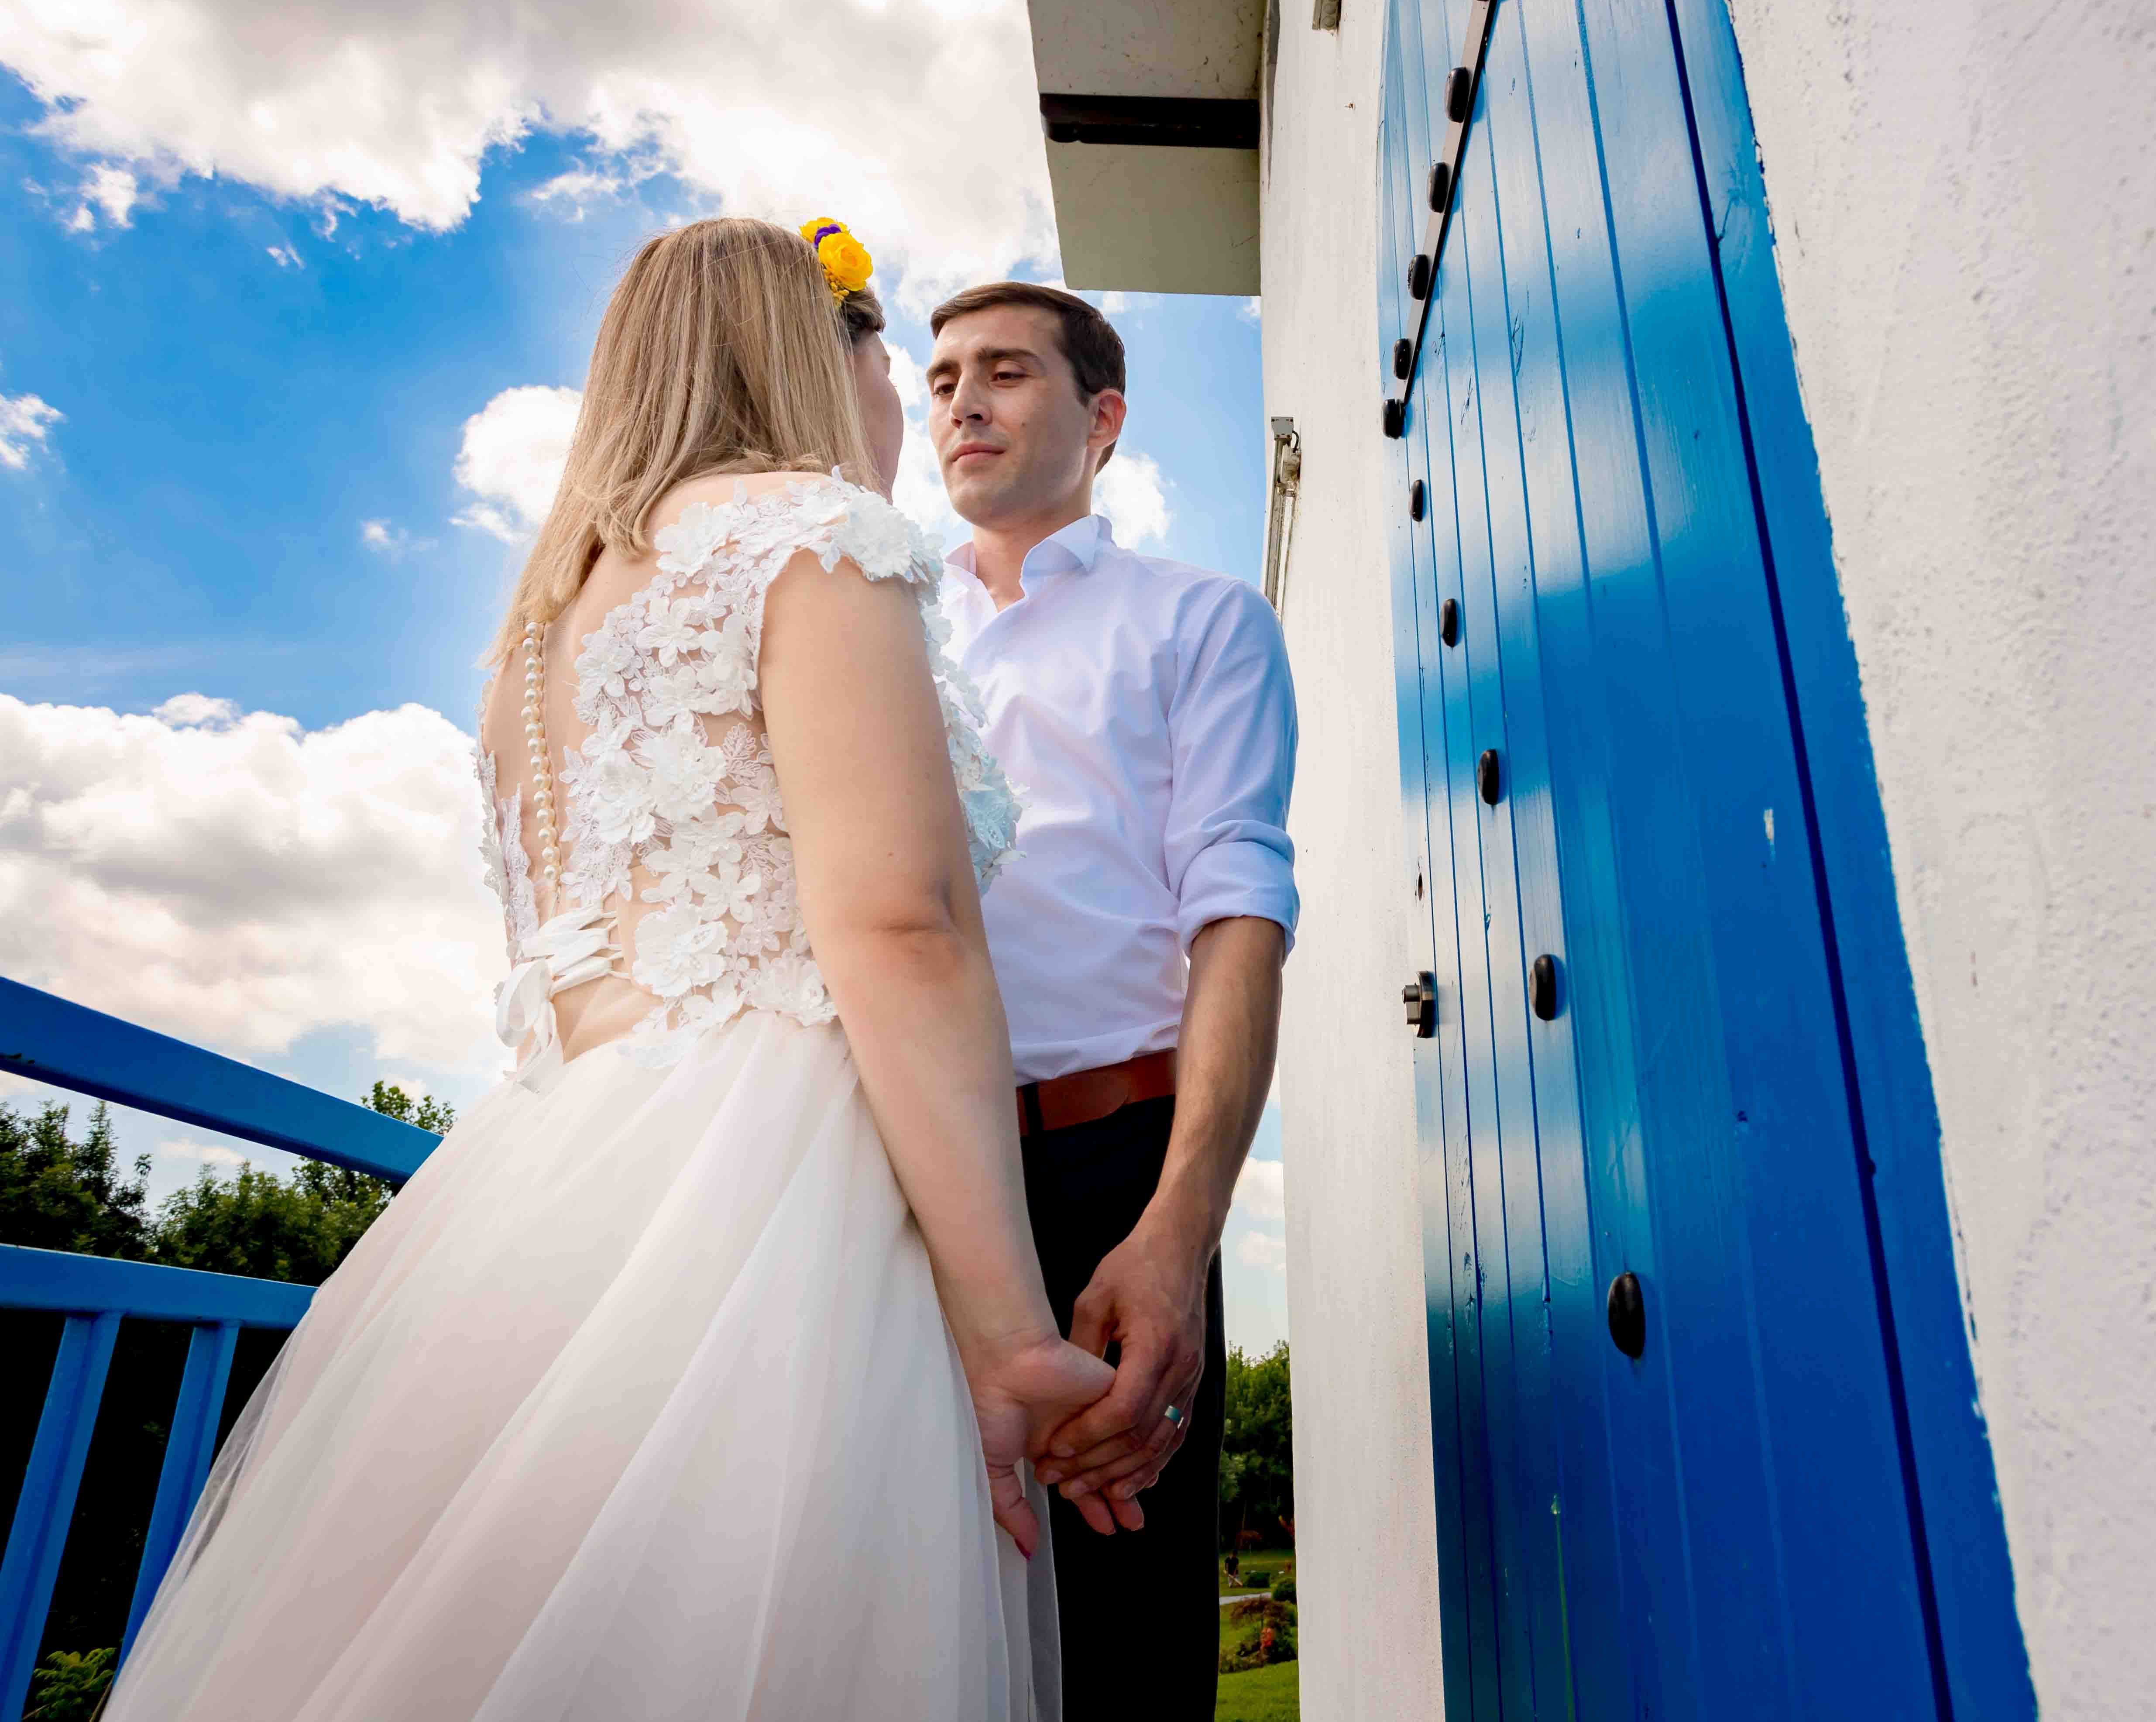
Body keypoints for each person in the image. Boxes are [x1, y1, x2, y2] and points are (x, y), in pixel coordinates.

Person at [105, 218, 1119, 1721]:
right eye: (885, 353)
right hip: (782, 1188)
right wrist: (1009, 1330)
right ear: (819, 353)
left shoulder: (537, 630)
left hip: (559, 1185)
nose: (901, 395)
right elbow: (898, 930)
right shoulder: (817, 536)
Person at [921, 282, 1298, 1717]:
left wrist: (1176, 1230)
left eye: (1006, 370)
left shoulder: (1199, 621)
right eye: (942, 376)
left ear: (1104, 417)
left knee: (1121, 1633)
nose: (963, 400)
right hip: (898, 1173)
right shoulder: (878, 627)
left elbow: (1238, 915)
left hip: (1112, 1175)